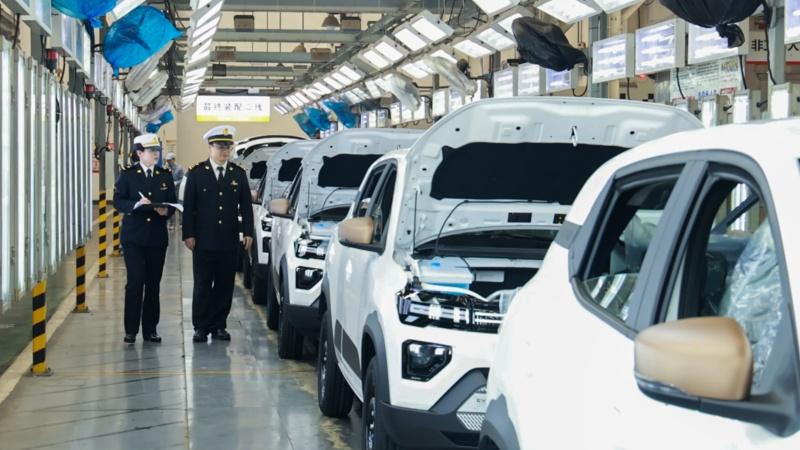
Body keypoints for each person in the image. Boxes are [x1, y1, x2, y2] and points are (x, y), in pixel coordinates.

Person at [182, 125, 254, 342]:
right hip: (203, 240)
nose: (225, 151)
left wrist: (248, 232)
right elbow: (189, 207)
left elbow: (246, 207)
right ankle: (201, 326)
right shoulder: (197, 173)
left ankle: (219, 325)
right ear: (210, 147)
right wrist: (188, 234)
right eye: (220, 147)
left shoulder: (238, 174)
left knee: (224, 285)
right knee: (202, 284)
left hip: (228, 240)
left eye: (228, 147)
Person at [113, 134, 177, 344]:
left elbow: (172, 202)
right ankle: (131, 330)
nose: (155, 155)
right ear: (140, 153)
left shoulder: (164, 175)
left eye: (157, 151)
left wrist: (166, 211)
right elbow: (118, 201)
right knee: (135, 282)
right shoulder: (128, 175)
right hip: (134, 237)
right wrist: (135, 205)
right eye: (151, 151)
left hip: (156, 238)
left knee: (153, 284)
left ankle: (150, 329)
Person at [164, 153, 185, 230]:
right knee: (170, 206)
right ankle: (171, 224)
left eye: (169, 160)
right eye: (167, 160)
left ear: (173, 160)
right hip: (169, 191)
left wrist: (176, 182)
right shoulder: (165, 168)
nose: (168, 162)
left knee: (180, 206)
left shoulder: (179, 168)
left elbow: (182, 179)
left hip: (178, 191)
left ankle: (181, 223)